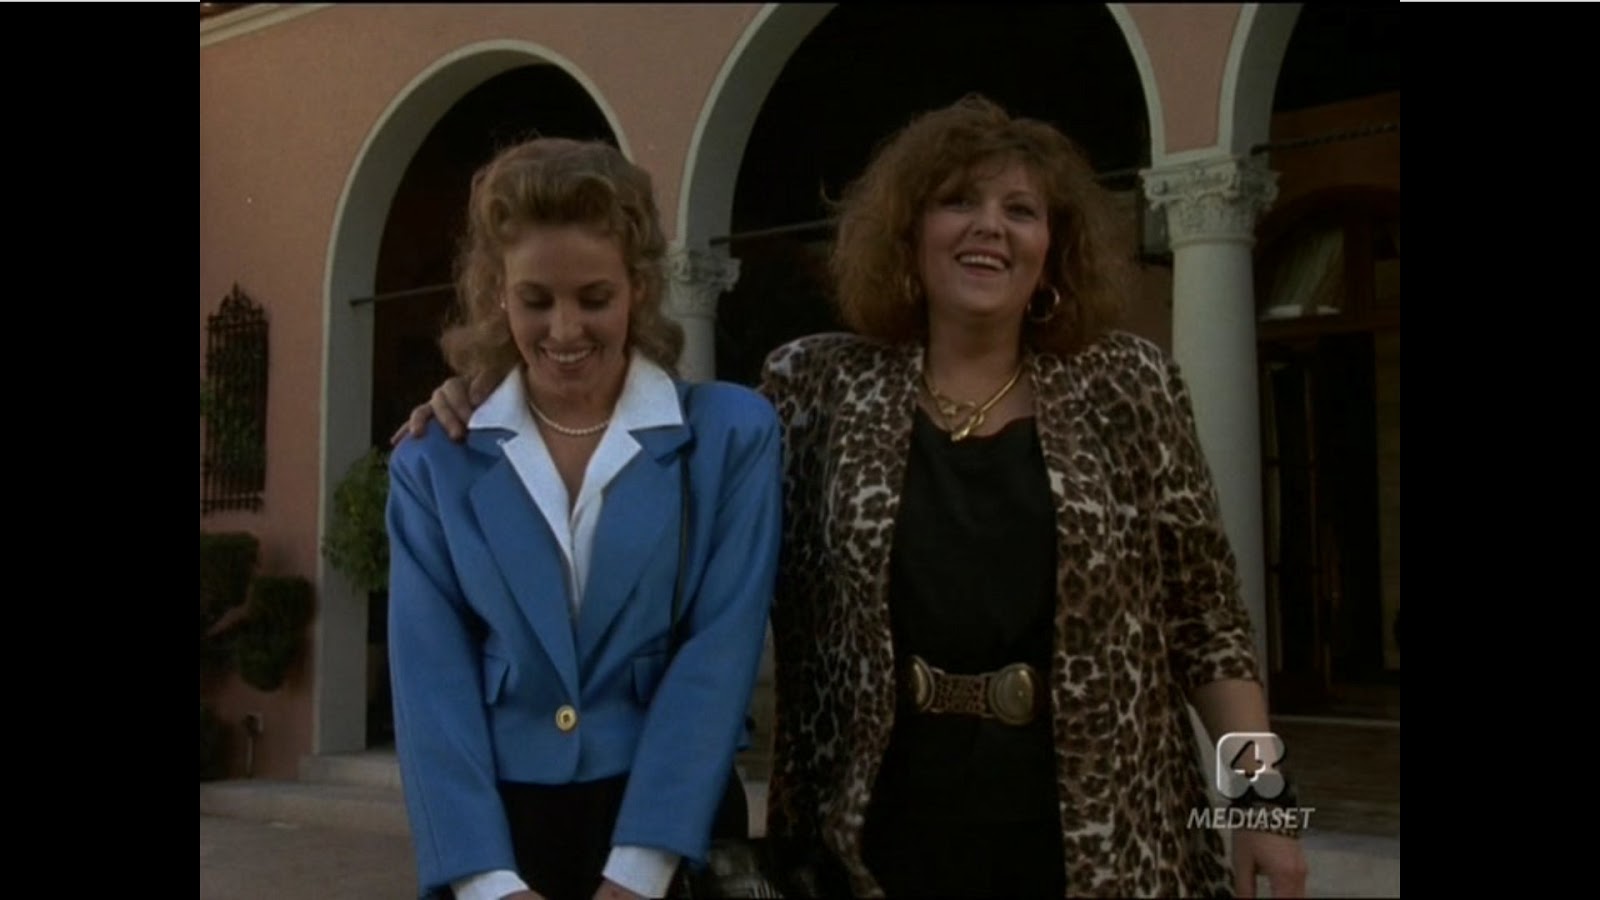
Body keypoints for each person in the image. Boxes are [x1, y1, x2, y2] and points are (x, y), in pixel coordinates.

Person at [402, 95, 1309, 897]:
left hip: (1100, 832)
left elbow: (1211, 623)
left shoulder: (1129, 386)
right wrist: (481, 394)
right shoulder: (815, 389)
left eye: (1020, 210)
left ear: (1054, 243)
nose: (989, 228)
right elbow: (642, 456)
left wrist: (1261, 805)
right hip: (871, 835)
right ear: (908, 232)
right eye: (958, 202)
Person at [386, 136, 781, 900]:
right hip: (503, 840)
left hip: (675, 832)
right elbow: (431, 686)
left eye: (593, 298)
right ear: (497, 295)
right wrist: (486, 883)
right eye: (536, 300)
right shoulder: (432, 463)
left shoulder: (731, 438)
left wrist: (639, 873)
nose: (564, 331)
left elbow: (718, 656)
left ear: (639, 288)